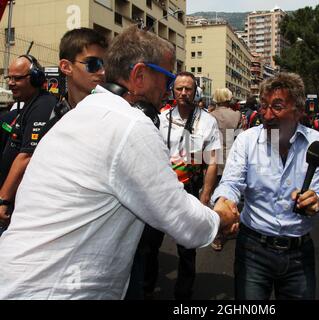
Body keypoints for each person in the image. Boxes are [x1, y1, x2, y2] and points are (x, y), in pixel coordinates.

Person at [0, 25, 238, 300]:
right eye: (167, 76)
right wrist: (221, 217)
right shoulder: (130, 125)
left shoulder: (83, 113)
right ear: (139, 75)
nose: (169, 87)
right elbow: (182, 219)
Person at [212, 73, 319, 300]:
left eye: (277, 107)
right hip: (253, 250)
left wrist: (314, 202)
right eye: (263, 106)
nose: (267, 115)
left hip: (299, 252)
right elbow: (231, 183)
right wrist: (223, 204)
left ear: (298, 110)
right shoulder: (246, 140)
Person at [141, 71, 222, 300]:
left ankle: (183, 295)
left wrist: (205, 198)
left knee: (187, 248)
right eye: (179, 89)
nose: (184, 93)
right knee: (149, 245)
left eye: (188, 89)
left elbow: (212, 160)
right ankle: (147, 289)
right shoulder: (161, 117)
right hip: (158, 189)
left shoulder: (208, 121)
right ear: (172, 91)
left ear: (196, 91)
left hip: (188, 190)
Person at [0, 55, 58, 236]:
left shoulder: (43, 105)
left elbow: (27, 156)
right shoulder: (28, 105)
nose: (11, 83)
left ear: (35, 78)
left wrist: (3, 200)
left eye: (17, 78)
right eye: (9, 78)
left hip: (20, 206)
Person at [42, 27, 108, 133]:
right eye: (92, 64)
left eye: (105, 64)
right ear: (66, 67)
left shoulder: (116, 114)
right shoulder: (52, 125)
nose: (102, 72)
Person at [209, 88, 244, 251]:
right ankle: (230, 225)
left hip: (212, 158)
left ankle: (216, 234)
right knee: (229, 195)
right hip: (231, 157)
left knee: (213, 196)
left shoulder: (209, 115)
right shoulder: (237, 116)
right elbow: (240, 137)